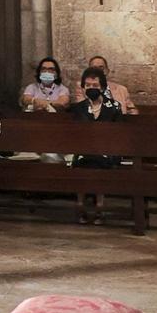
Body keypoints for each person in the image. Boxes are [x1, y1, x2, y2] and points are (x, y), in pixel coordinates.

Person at [69, 65, 125, 224]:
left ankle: (100, 204)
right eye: (88, 86)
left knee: (100, 160)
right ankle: (80, 203)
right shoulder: (78, 108)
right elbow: (73, 134)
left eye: (95, 86)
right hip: (83, 150)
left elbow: (119, 134)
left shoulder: (114, 107)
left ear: (103, 87)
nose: (91, 88)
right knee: (83, 159)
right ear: (83, 87)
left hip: (107, 151)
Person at [20, 56, 71, 163]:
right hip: (33, 130)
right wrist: (37, 102)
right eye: (44, 69)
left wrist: (42, 103)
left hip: (55, 130)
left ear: (56, 73)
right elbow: (26, 99)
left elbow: (63, 102)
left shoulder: (62, 89)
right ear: (39, 72)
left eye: (51, 69)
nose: (47, 72)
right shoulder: (32, 87)